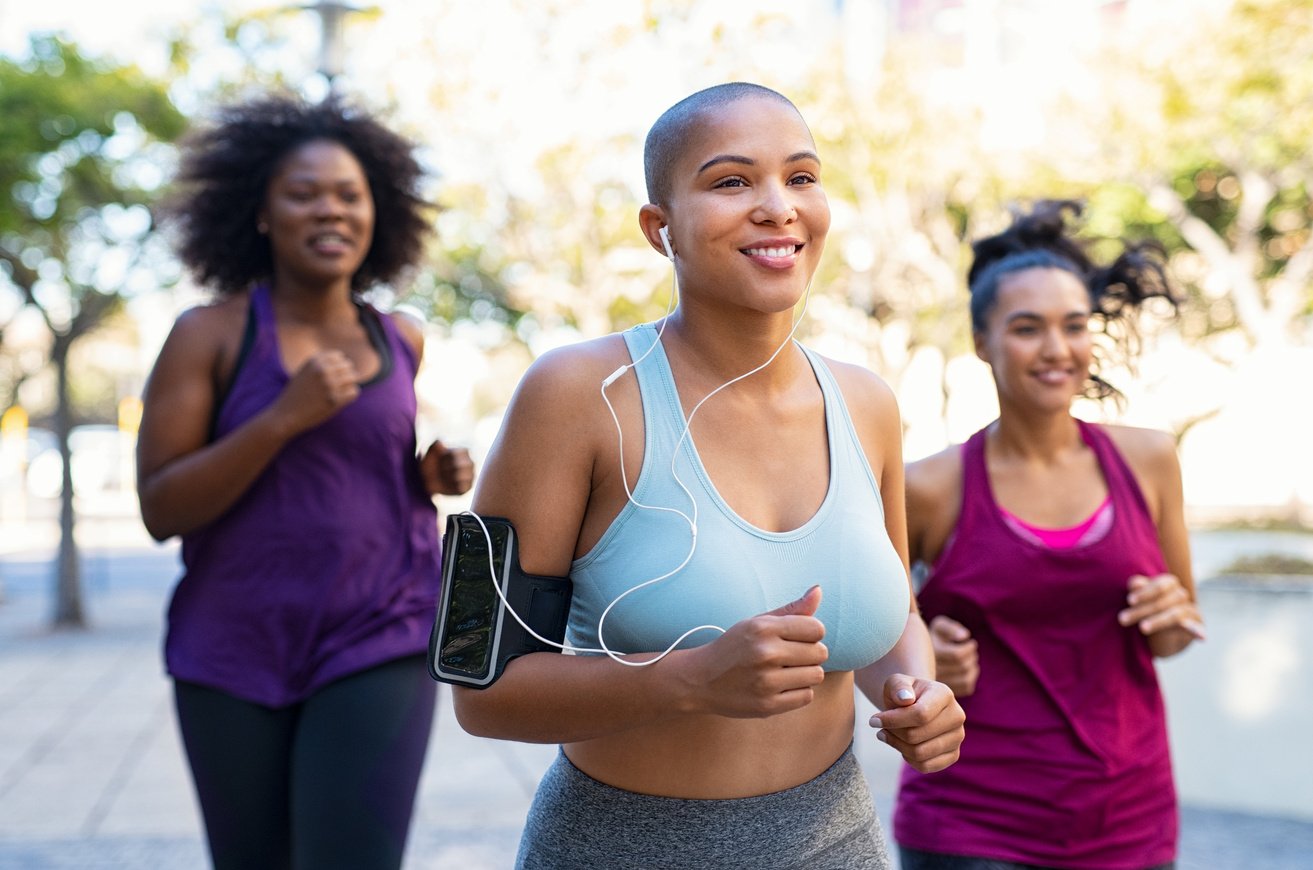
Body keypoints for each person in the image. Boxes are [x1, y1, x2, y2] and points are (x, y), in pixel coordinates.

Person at [452, 82, 965, 870]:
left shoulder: (867, 403)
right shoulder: (568, 396)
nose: (777, 206)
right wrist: (689, 680)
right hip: (620, 849)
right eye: (731, 181)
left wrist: (914, 689)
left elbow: (889, 605)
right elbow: (476, 687)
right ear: (661, 230)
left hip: (839, 844)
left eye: (800, 177)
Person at [136, 93, 473, 870]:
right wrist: (280, 418)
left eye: (349, 195)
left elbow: (363, 471)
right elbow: (160, 509)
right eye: (304, 193)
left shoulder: (400, 338)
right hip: (234, 643)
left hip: (379, 631)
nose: (331, 210)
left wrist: (428, 474)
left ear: (377, 213)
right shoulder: (209, 336)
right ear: (260, 213)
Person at [892, 200, 1205, 870]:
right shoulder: (927, 487)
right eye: (1027, 328)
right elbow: (880, 649)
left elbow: (1176, 636)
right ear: (982, 342)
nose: (1057, 350)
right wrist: (921, 662)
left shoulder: (1148, 459)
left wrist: (1169, 614)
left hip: (1129, 816)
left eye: (1073, 326)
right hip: (971, 826)